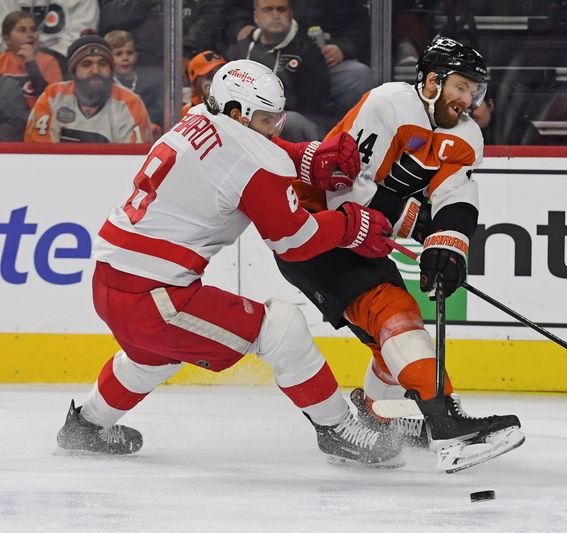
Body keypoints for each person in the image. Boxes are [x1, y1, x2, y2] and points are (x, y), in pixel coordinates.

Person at [55, 59, 403, 468]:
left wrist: (306, 161)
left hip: (110, 282)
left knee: (151, 357)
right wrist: (349, 225)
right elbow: (294, 241)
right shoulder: (251, 157)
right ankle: (339, 430)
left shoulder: (197, 116)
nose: (276, 128)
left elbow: (241, 150)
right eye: (267, 119)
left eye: (278, 118)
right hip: (156, 299)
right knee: (283, 329)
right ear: (238, 113)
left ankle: (86, 426)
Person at [272, 37, 525, 473]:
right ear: (431, 82)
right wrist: (417, 223)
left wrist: (448, 247)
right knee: (394, 311)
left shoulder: (466, 136)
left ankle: (375, 414)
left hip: (363, 234)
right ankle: (445, 421)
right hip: (313, 228)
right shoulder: (387, 104)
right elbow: (340, 186)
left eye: (475, 92)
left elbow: (455, 194)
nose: (468, 100)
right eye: (461, 88)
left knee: (391, 332)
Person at [227, 0, 331, 141]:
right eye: (268, 10)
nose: (275, 15)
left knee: (291, 121)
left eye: (281, 9)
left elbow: (316, 106)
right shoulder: (240, 50)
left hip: (291, 123)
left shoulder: (307, 52)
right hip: (244, 118)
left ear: (290, 14)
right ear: (256, 16)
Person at [24, 33, 151, 143]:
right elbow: (39, 154)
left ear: (111, 69)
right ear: (73, 71)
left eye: (102, 64)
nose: (95, 71)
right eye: (86, 64)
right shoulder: (52, 97)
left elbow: (134, 162)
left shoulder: (130, 103)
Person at [0, 11, 63, 108]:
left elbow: (53, 99)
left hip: (38, 117)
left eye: (33, 29)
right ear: (7, 39)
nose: (30, 35)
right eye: (22, 30)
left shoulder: (49, 61)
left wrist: (31, 63)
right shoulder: (2, 61)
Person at [104, 29, 162, 132]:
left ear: (136, 56)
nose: (125, 58)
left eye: (129, 53)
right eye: (118, 54)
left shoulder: (147, 86)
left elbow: (155, 113)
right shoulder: (105, 87)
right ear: (108, 58)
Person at [18, 0, 99, 58]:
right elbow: (7, 31)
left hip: (63, 60)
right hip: (18, 56)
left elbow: (80, 38)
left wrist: (49, 58)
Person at [181, 49, 226, 117]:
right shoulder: (185, 115)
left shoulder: (238, 108)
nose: (218, 80)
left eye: (222, 74)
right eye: (210, 76)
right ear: (195, 84)